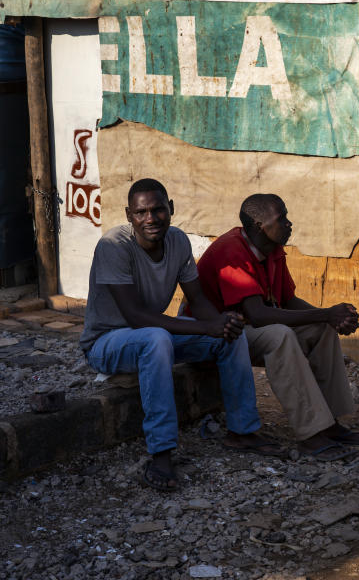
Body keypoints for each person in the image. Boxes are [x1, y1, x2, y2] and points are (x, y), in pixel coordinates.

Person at [81, 179, 284, 492]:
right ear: (129, 215)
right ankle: (161, 452)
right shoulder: (114, 246)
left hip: (150, 337)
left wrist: (220, 324)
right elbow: (135, 317)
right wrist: (205, 327)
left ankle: (242, 431)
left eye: (158, 209)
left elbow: (198, 300)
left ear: (171, 209)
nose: (151, 218)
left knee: (230, 333)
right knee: (156, 338)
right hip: (107, 343)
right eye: (141, 212)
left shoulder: (177, 241)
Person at [194, 194, 359, 462]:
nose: (289, 223)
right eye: (282, 218)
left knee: (320, 330)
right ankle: (311, 433)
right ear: (258, 223)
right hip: (215, 333)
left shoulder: (272, 249)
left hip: (245, 329)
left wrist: (329, 319)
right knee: (280, 336)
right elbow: (259, 314)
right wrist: (325, 313)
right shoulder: (233, 249)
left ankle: (329, 422)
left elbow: (288, 301)